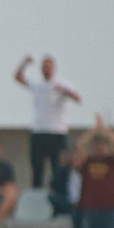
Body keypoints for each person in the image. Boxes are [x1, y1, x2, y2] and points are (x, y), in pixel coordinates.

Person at [14, 54, 81, 188]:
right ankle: (36, 194)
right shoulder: (37, 85)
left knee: (58, 169)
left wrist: (64, 91)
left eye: (49, 67)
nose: (47, 69)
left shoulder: (62, 84)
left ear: (54, 68)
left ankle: (57, 193)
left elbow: (77, 98)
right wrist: (24, 63)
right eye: (45, 67)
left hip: (57, 132)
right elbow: (18, 77)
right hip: (39, 131)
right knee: (37, 169)